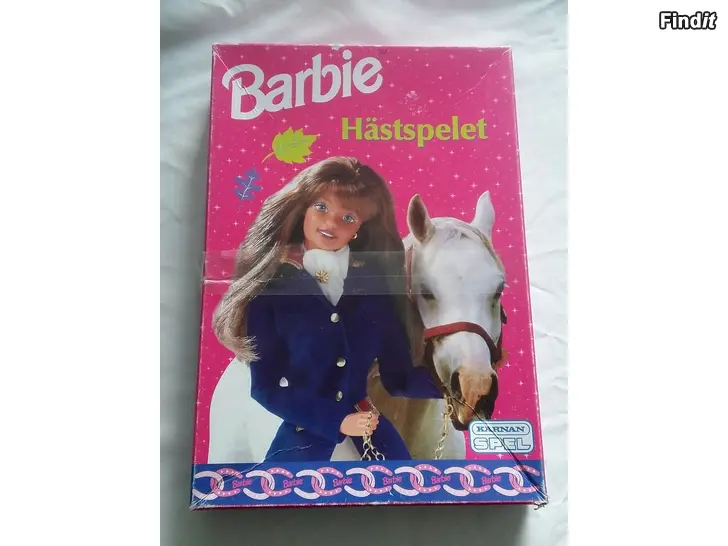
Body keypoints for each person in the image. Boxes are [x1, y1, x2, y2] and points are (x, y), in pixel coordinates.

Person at [212, 156, 442, 462]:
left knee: (405, 480)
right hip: (304, 432)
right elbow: (266, 388)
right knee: (285, 486)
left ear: (360, 227)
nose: (331, 223)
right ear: (303, 209)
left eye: (348, 217)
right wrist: (337, 421)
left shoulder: (375, 292)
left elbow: (399, 377)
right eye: (321, 207)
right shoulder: (271, 290)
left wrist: (456, 384)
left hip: (370, 431)